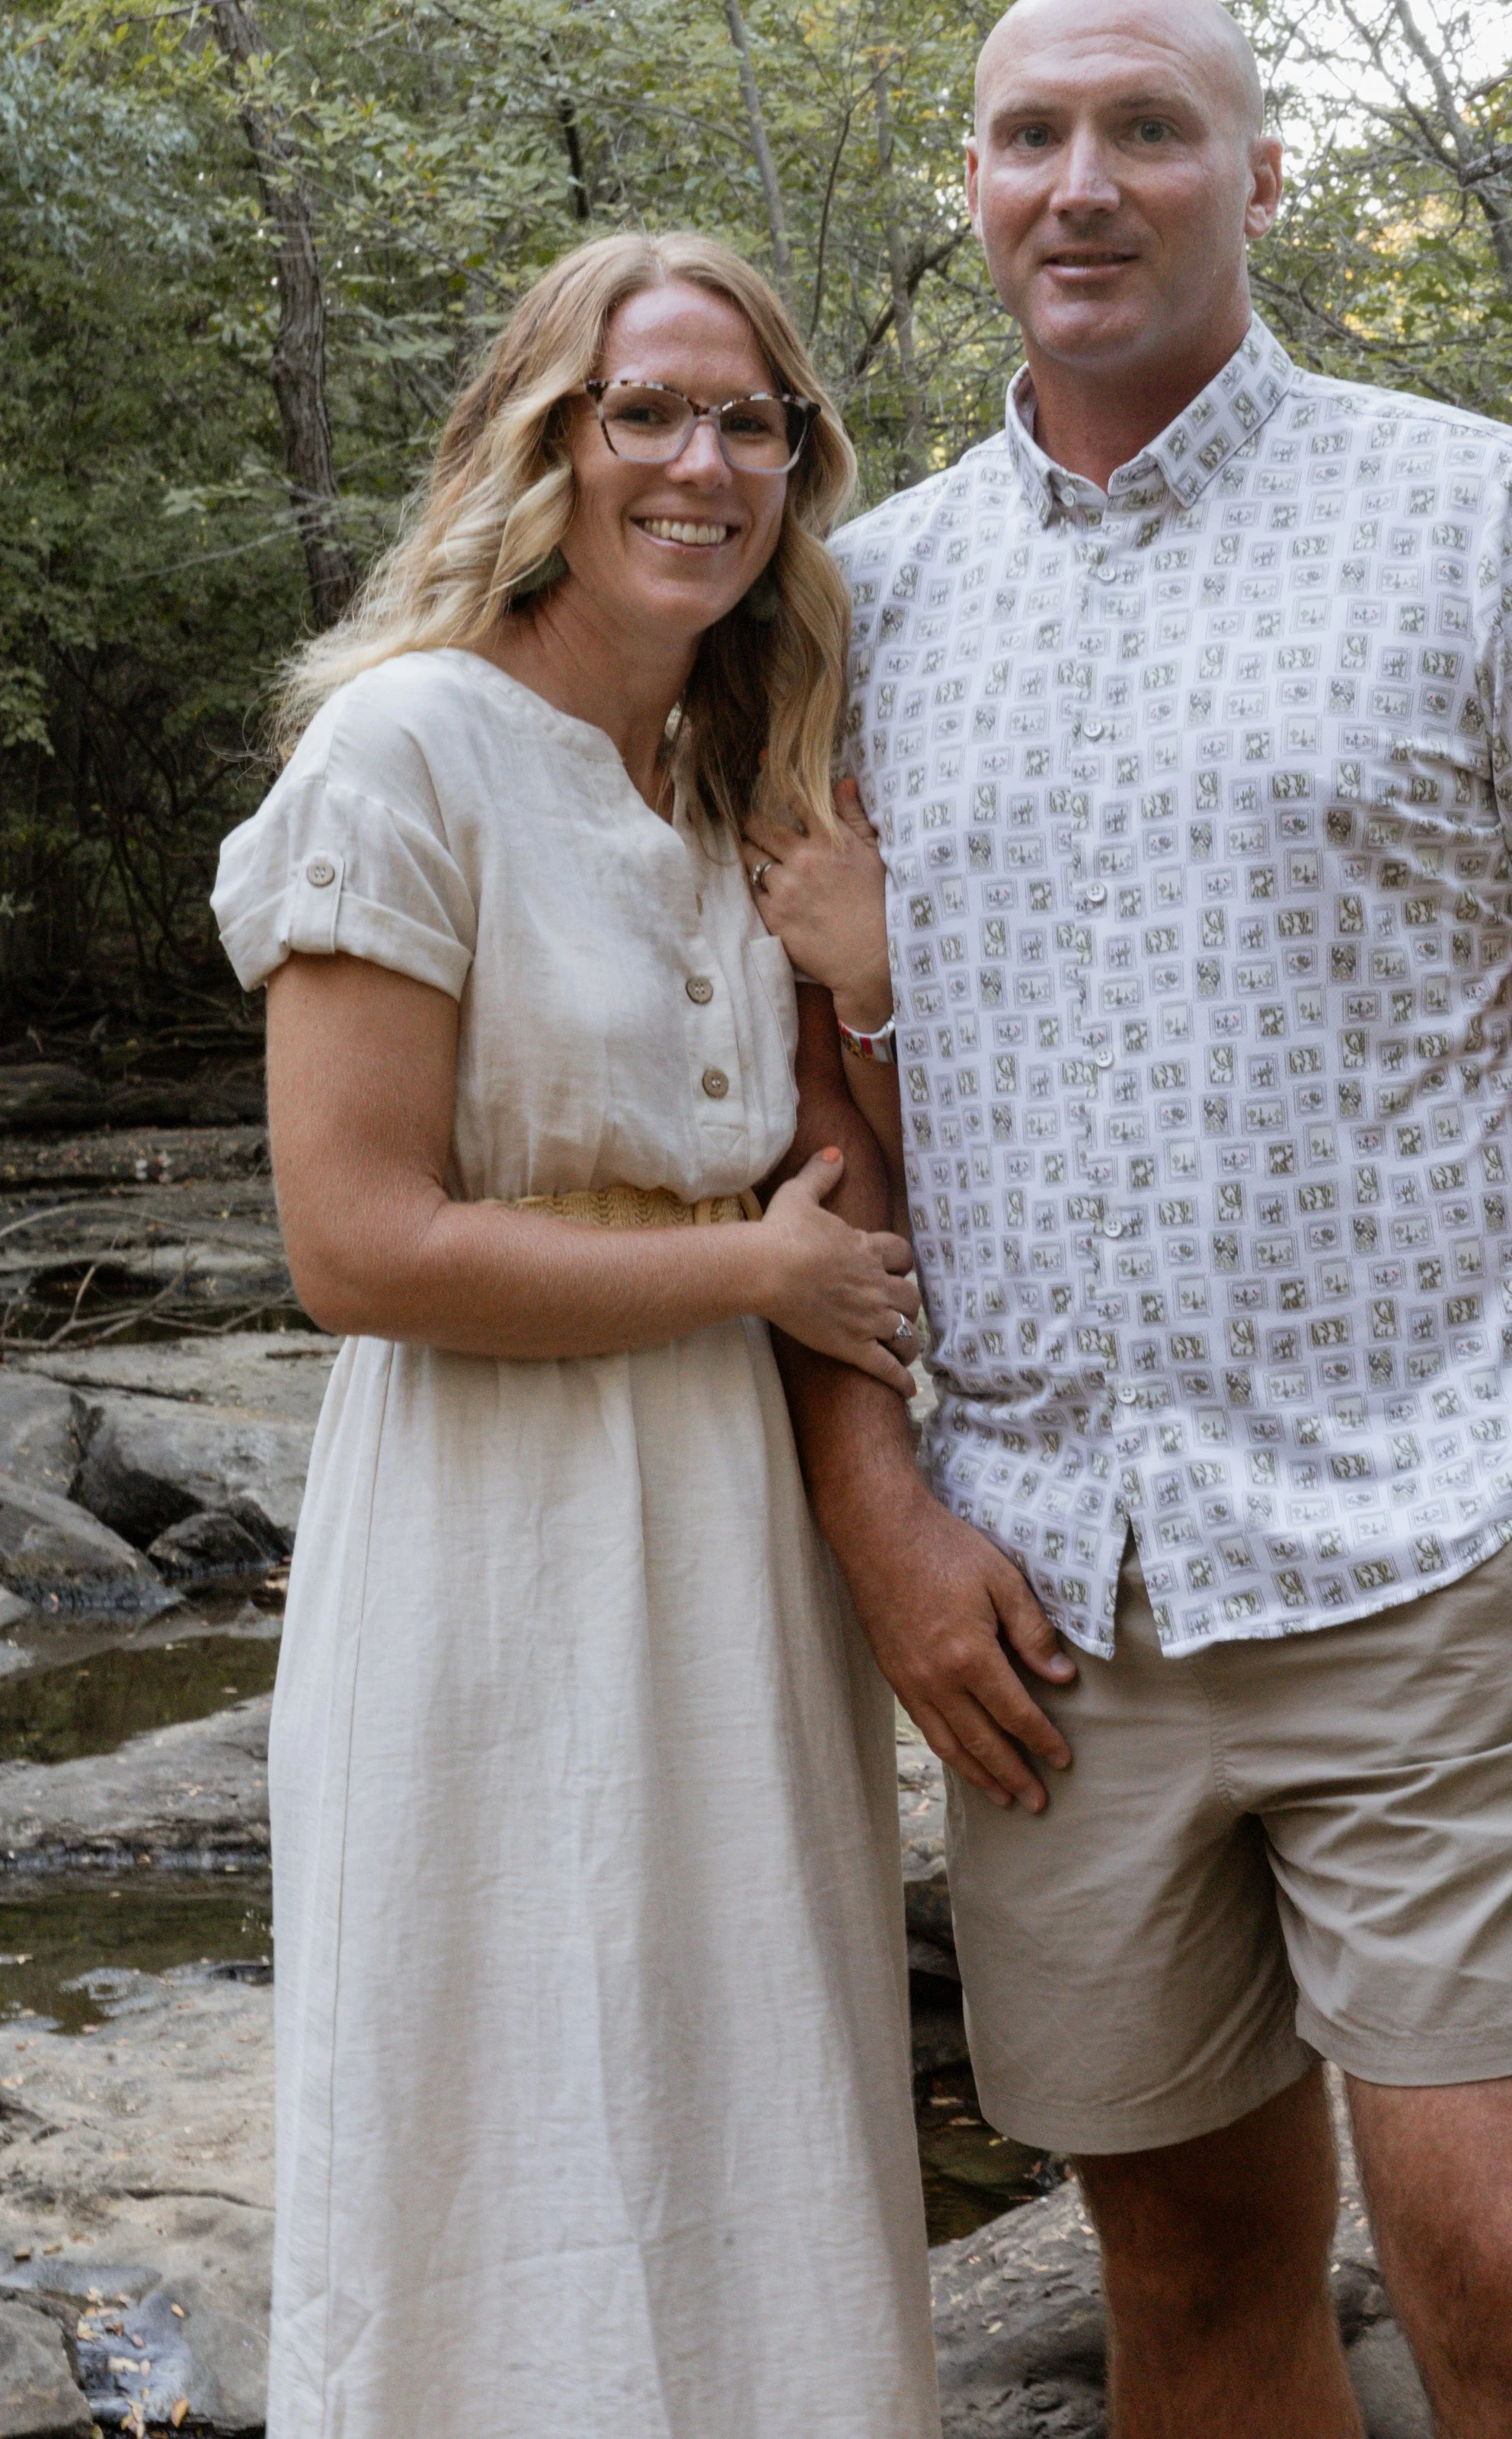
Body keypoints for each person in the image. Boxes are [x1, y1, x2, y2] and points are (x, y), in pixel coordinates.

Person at [746, 0, 1512, 2438]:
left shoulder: (1478, 512)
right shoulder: (856, 606)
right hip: (1051, 1622)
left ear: (1261, 175)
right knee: (1193, 2298)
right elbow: (804, 1102)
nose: (1078, 185)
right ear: (970, 184)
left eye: (1147, 131)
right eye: (1024, 137)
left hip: (1436, 1556)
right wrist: (884, 1517)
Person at [211, 231, 940, 2439]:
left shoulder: (731, 774)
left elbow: (859, 1178)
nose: (703, 463)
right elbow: (358, 1245)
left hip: (722, 1540)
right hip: (492, 1535)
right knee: (498, 2099)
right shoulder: (407, 747)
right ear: (546, 440)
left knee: (746, 2091)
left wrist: (870, 961)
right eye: (648, 412)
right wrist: (746, 1272)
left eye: (750, 423)